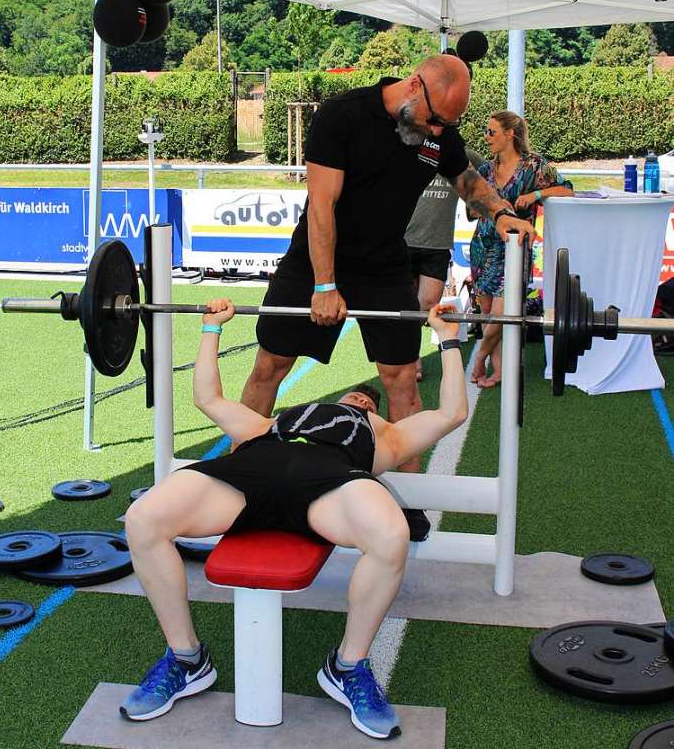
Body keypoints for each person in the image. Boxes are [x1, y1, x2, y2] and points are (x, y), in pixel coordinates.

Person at [122, 297, 468, 740]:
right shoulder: (271, 422)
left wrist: (449, 340)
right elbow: (207, 398)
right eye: (356, 393)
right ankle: (187, 659)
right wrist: (212, 328)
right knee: (143, 518)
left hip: (330, 483)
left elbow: (452, 412)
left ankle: (347, 666)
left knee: (391, 534)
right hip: (253, 471)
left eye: (369, 401)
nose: (363, 397)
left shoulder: (390, 436)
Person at [239, 54, 535, 541]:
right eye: (435, 121)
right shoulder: (343, 116)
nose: (439, 132)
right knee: (271, 365)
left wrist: (500, 212)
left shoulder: (437, 136)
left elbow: (468, 182)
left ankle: (409, 501)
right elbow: (322, 206)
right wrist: (325, 284)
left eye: (449, 125)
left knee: (401, 380)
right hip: (317, 256)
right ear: (414, 87)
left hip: (384, 263)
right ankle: (241, 485)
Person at [469, 111, 574, 387]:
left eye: (492, 132)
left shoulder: (534, 166)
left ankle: (480, 357)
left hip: (515, 249)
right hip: (484, 245)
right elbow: (472, 208)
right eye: (486, 131)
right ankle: (499, 370)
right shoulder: (485, 170)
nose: (486, 137)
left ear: (510, 134)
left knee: (503, 314)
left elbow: (567, 189)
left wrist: (536, 194)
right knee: (488, 312)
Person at [405, 146, 484, 381]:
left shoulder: (461, 155)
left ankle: (409, 352)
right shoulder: (406, 151)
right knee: (406, 304)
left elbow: (488, 173)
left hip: (437, 243)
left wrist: (475, 204)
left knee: (428, 302)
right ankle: (412, 358)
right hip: (403, 240)